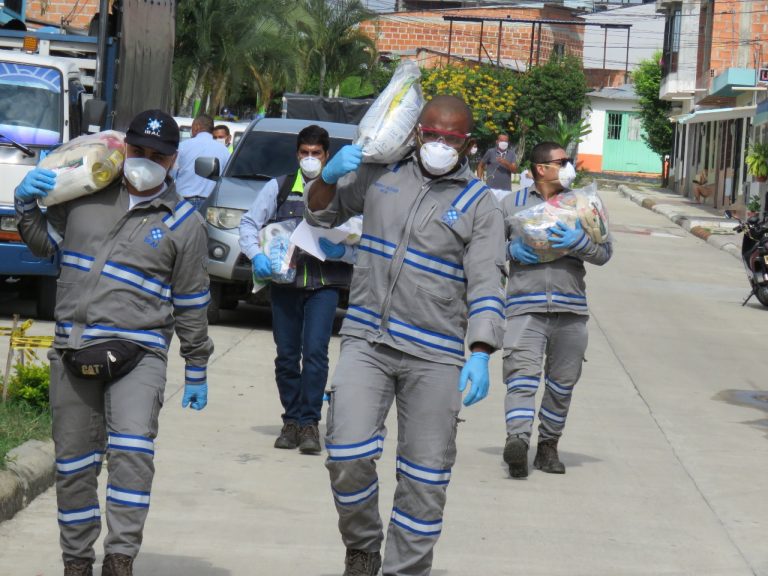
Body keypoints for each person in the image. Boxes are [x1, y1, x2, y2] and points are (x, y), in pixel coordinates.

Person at [306, 95, 506, 576]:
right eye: (431, 134)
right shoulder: (382, 176)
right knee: (346, 454)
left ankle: (405, 570)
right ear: (416, 133)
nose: (439, 144)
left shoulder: (479, 205)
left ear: (468, 144)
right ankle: (363, 545)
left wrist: (479, 351)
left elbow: (486, 281)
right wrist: (327, 178)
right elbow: (319, 216)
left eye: (450, 138)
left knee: (425, 478)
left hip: (435, 354)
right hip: (367, 340)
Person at [14, 110, 213, 576]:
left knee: (132, 455)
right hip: (73, 348)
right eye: (139, 150)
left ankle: (120, 558)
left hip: (139, 354)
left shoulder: (184, 223)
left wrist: (197, 365)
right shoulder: (86, 194)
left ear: (173, 161)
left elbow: (191, 302)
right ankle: (77, 562)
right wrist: (25, 205)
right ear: (124, 148)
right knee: (74, 466)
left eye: (158, 155)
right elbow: (45, 245)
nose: (146, 161)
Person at [238, 125, 353, 455]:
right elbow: (248, 224)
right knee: (287, 356)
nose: (310, 159)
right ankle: (290, 420)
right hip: (284, 284)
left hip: (324, 285)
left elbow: (361, 238)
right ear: (297, 154)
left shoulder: (343, 190)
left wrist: (342, 252)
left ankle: (309, 424)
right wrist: (257, 256)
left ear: (327, 156)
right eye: (304, 152)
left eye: (316, 153)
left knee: (315, 353)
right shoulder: (280, 186)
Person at [501, 141, 612, 479]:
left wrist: (577, 244)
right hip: (525, 306)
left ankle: (548, 446)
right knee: (521, 377)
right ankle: (518, 442)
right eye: (562, 162)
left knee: (562, 383)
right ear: (541, 169)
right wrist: (514, 249)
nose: (569, 167)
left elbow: (605, 252)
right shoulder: (510, 204)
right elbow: (488, 247)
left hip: (571, 307)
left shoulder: (583, 204)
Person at [173, 113, 230, 210]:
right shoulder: (225, 151)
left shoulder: (182, 146)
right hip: (210, 203)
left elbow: (172, 174)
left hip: (183, 202)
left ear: (197, 126)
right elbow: (226, 180)